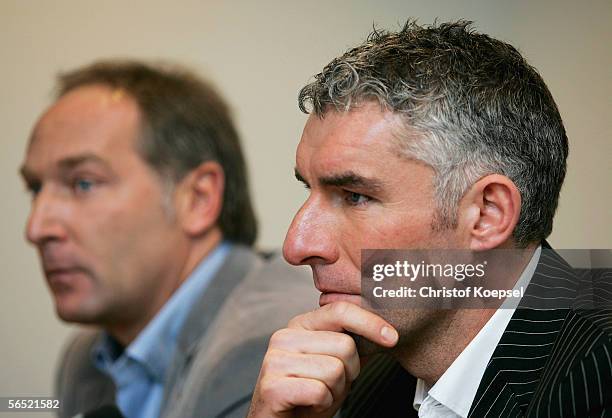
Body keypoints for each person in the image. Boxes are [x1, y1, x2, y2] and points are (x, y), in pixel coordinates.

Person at [247, 20, 611, 417]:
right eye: (309, 189)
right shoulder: (369, 381)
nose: (297, 245)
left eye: (355, 197)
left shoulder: (596, 376)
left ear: (487, 214)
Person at [20, 60, 317, 418]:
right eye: (35, 188)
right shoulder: (85, 360)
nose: (36, 228)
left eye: (83, 183)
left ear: (198, 199)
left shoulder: (271, 342)